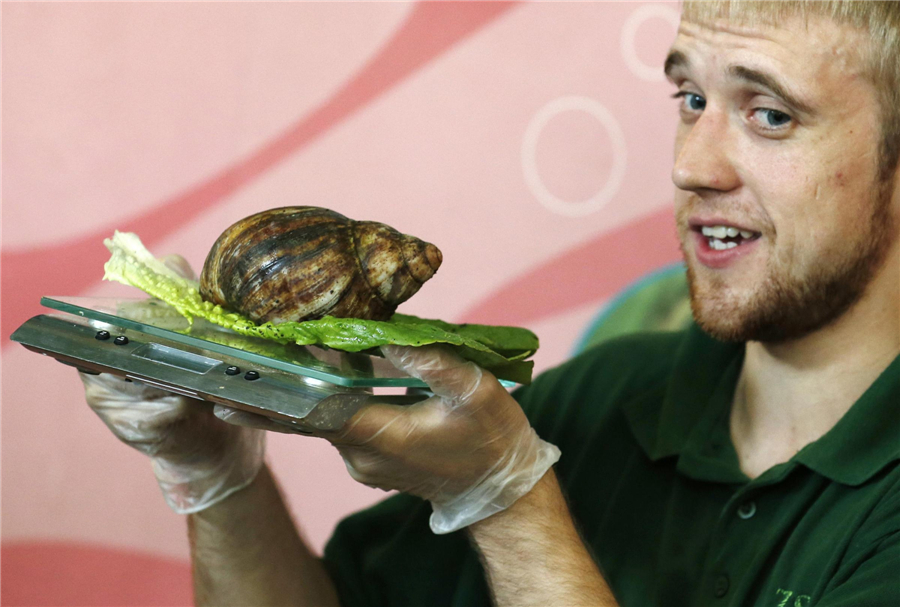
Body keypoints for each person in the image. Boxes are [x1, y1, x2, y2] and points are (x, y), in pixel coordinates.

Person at [80, 1, 899, 605]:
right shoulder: (601, 397)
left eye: (769, 114)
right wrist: (213, 472)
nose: (694, 164)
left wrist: (507, 505)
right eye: (691, 100)